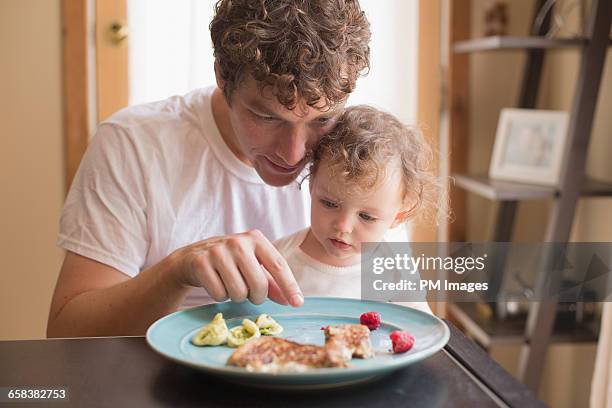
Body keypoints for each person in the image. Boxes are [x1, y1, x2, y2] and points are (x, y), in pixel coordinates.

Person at [47, 0, 371, 337]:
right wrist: (176, 272)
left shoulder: (361, 155)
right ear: (221, 76)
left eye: (322, 119)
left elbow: (409, 318)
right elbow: (66, 333)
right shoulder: (133, 144)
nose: (293, 154)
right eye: (266, 117)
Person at [273, 106, 439, 314]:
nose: (343, 226)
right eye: (330, 204)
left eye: (366, 216)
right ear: (312, 184)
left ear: (399, 216)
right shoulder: (278, 259)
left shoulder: (394, 270)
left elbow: (422, 328)